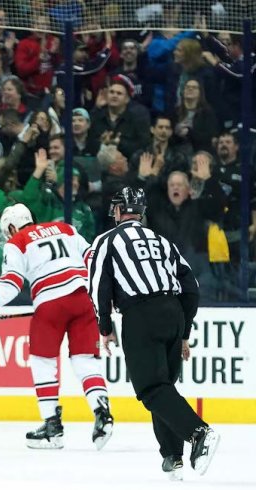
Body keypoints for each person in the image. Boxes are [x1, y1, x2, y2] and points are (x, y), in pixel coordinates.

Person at [87, 187, 219, 480]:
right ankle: (173, 457)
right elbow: (191, 287)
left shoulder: (106, 241)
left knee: (151, 389)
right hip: (173, 312)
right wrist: (184, 330)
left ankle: (199, 433)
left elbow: (98, 286)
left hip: (140, 316)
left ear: (120, 210)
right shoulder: (162, 241)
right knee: (163, 386)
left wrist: (105, 327)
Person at [0, 203, 114, 450]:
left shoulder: (17, 241)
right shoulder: (65, 228)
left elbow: (11, 282)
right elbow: (93, 259)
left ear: (11, 227)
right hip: (84, 299)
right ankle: (102, 413)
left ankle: (52, 428)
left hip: (50, 306)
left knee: (43, 362)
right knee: (85, 360)